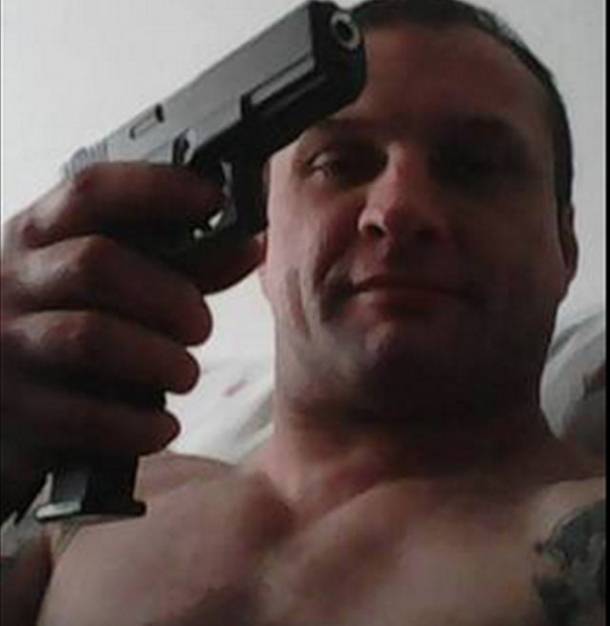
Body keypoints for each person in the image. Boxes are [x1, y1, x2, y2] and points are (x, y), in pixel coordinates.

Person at [1, 0, 605, 624]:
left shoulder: (584, 544)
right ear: (260, 237)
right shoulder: (73, 515)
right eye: (338, 164)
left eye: (475, 168)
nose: (398, 209)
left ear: (566, 245)